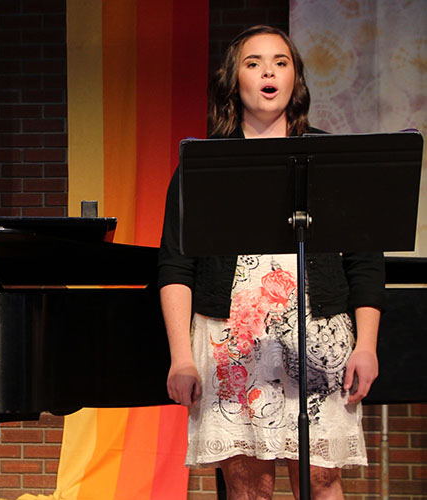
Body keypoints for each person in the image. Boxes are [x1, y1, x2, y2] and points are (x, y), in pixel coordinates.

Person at [158, 26, 384, 500]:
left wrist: (367, 346)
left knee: (321, 481)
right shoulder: (203, 164)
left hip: (319, 338)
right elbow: (176, 266)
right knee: (249, 489)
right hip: (231, 342)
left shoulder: (330, 159)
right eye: (254, 62)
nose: (269, 72)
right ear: (233, 79)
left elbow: (364, 263)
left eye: (281, 63)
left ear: (295, 78)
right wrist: (181, 357)